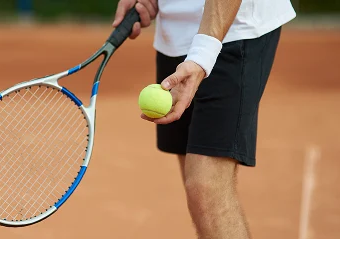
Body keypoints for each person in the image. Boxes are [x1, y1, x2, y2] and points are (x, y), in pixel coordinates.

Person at [114, 0, 295, 239]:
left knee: (205, 190)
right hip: (175, 35)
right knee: (196, 190)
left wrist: (202, 56)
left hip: (234, 27)